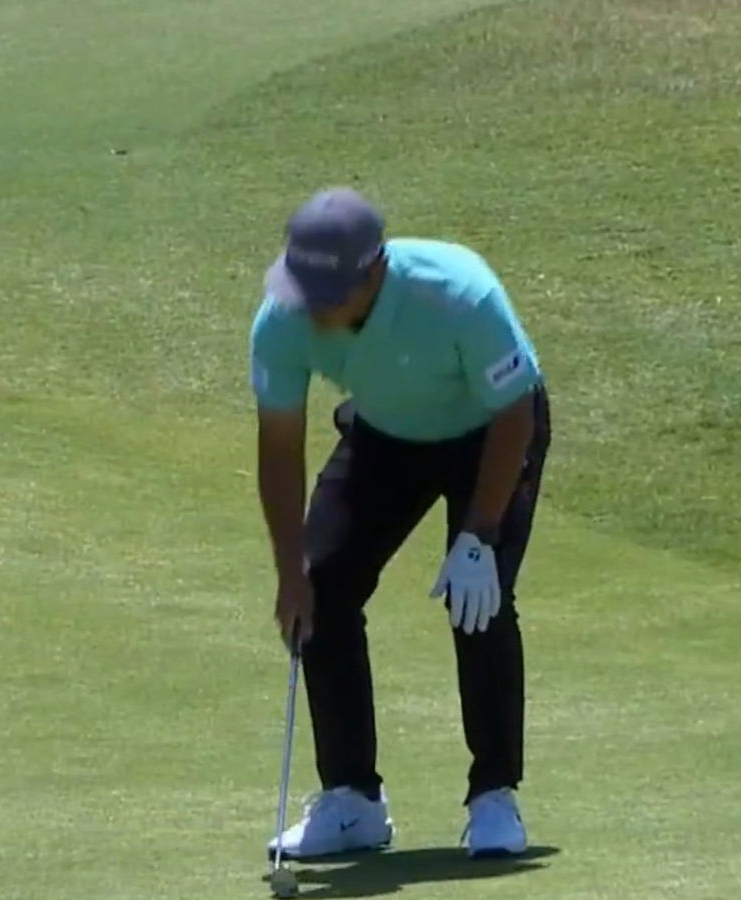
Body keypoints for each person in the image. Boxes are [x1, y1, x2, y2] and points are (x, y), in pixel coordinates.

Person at [247, 187, 550, 860]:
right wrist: (289, 568)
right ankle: (353, 801)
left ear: (374, 271)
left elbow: (516, 414)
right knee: (321, 586)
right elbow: (278, 446)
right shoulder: (283, 320)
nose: (313, 305)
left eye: (329, 290)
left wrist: (480, 535)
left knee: (479, 599)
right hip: (388, 432)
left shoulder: (457, 292)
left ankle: (494, 795)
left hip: (490, 430)